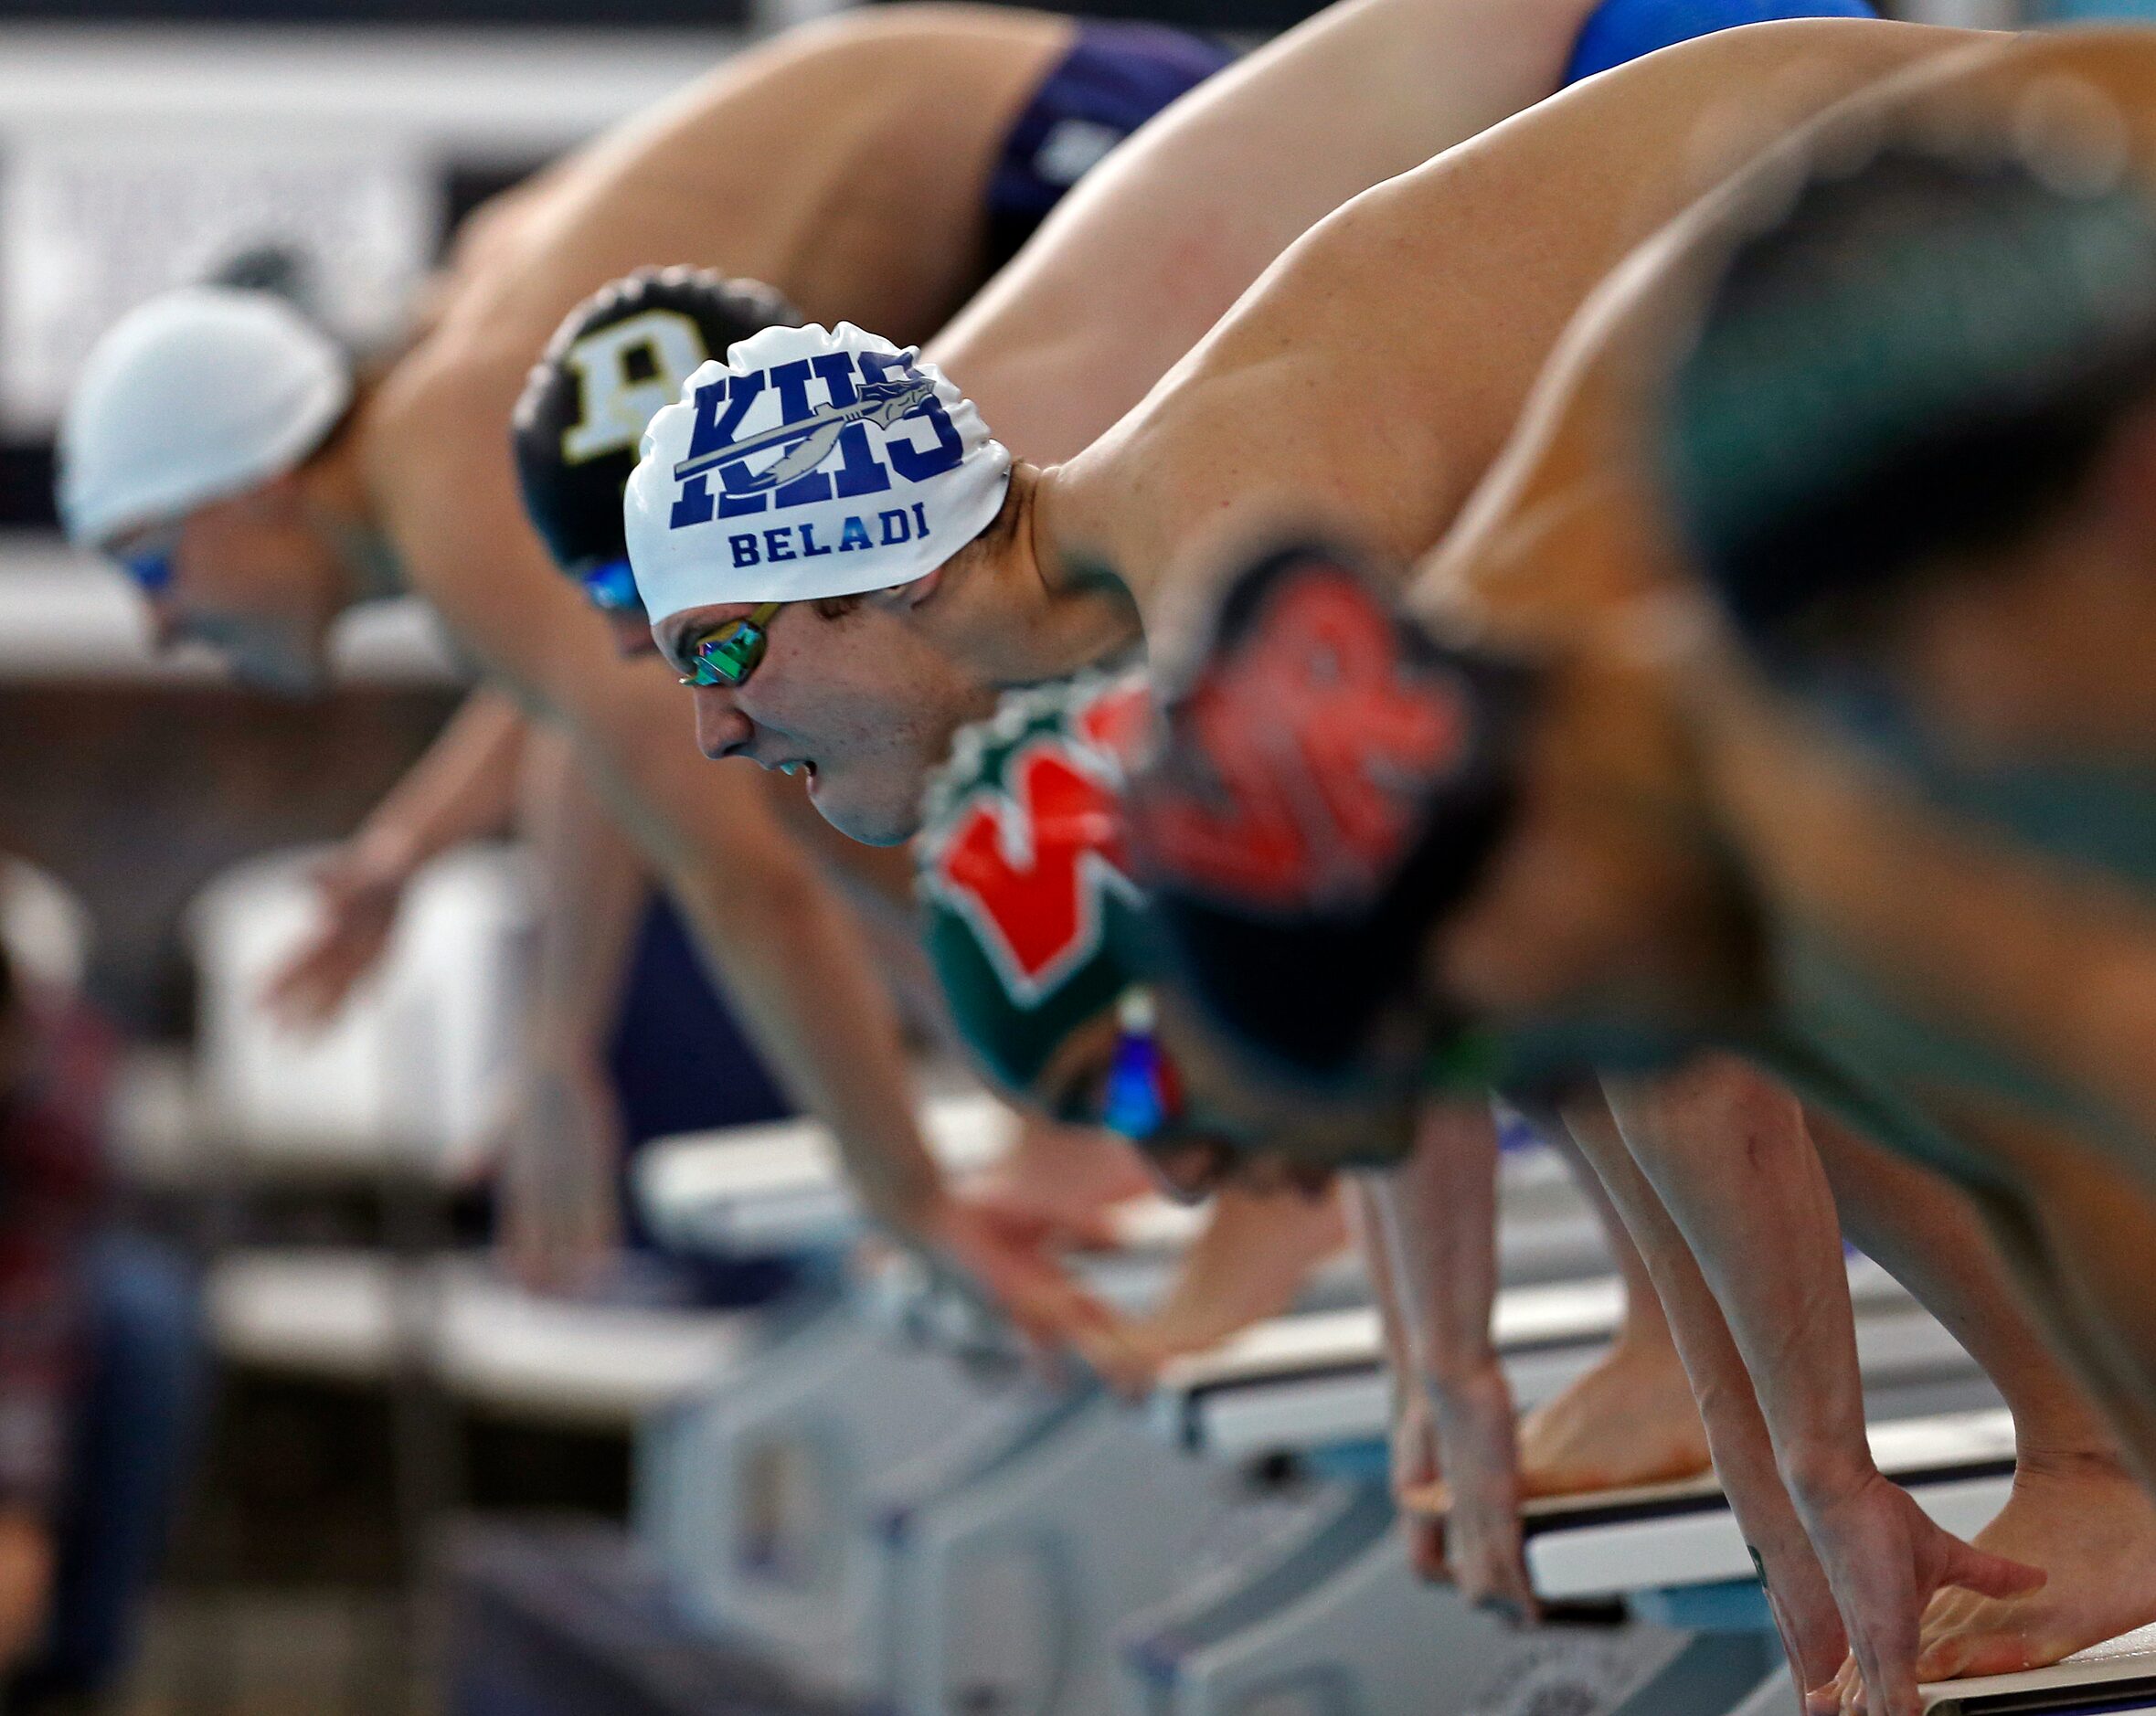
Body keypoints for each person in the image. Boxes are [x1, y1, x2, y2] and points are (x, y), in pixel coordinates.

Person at [60, 5, 1242, 1343]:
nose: (158, 629)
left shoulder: (453, 472)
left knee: (828, 731)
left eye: (151, 568)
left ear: (257, 489)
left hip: (1068, 152)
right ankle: (1123, 1086)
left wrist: (906, 1199)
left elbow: (733, 868)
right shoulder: (455, 436)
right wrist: (450, 911)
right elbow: (590, 714)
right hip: (1059, 144)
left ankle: (1156, 1092)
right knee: (813, 706)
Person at [626, 15, 1980, 850]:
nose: (709, 732)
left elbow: (1647, 1029)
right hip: (1786, 175)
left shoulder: (1233, 563)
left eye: (722, 645)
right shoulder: (1166, 544)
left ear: (895, 560)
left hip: (1889, 165)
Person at [0, 942, 200, 1711]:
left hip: (40, 1313)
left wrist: (18, 1512)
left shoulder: (58, 1095)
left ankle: (69, 1680)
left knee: (145, 1316)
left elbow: (30, 1295)